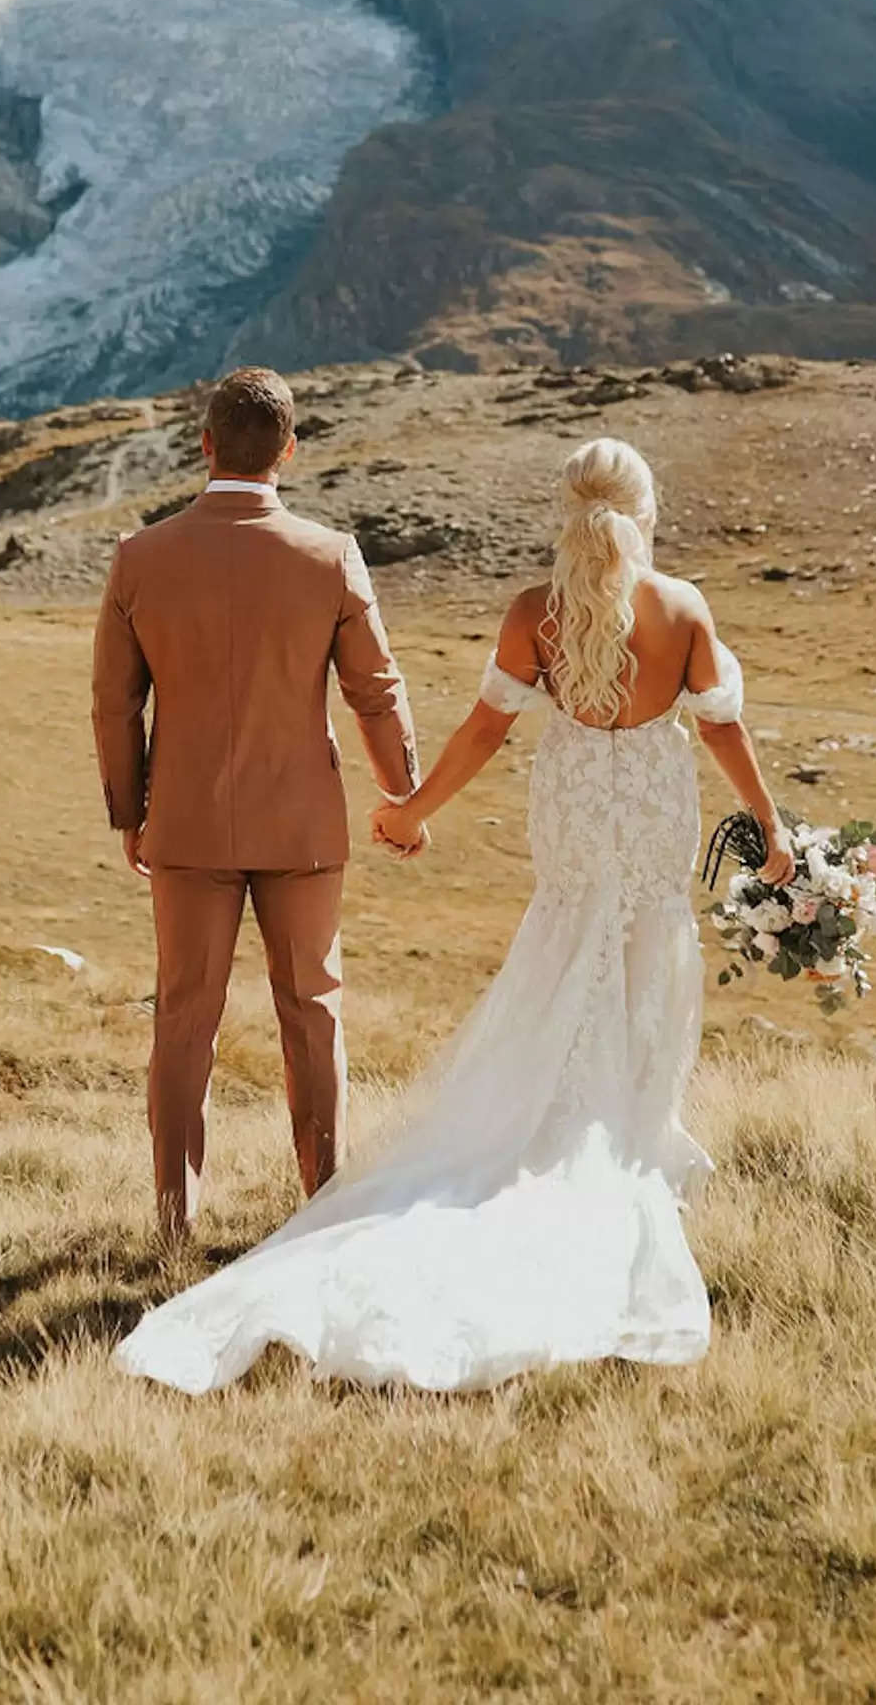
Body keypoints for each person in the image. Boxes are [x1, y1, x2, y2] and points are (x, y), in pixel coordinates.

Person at [117, 434, 795, 1393]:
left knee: (564, 950)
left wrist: (410, 811)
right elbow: (722, 726)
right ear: (645, 511)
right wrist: (771, 826)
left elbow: (486, 728)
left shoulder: (535, 614)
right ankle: (630, 1141)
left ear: (567, 511)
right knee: (648, 953)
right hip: (650, 814)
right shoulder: (683, 609)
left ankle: (566, 1129)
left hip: (571, 814)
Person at [91, 365, 420, 1245]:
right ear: (291, 449)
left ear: (205, 445)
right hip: (303, 826)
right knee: (312, 1011)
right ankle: (322, 1212)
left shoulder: (140, 557)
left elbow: (115, 703)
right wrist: (401, 793)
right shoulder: (330, 555)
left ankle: (172, 1222)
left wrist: (131, 813)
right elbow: (376, 691)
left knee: (182, 1015)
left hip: (187, 826)